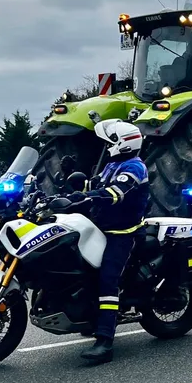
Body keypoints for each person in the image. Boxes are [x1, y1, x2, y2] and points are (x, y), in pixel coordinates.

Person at [76, 119, 150, 364]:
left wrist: (84, 197)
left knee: (108, 278)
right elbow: (95, 186)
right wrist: (70, 188)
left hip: (123, 232)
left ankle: (105, 341)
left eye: (109, 142)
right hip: (102, 227)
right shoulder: (113, 164)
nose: (106, 146)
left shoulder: (134, 168)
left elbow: (113, 194)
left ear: (122, 144)